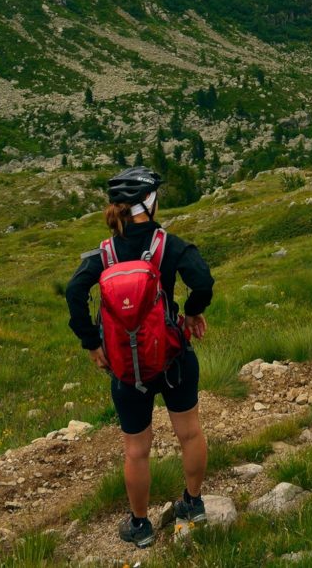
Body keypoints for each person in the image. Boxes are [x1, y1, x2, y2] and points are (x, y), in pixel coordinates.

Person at [65, 167, 214, 548]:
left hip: (126, 370)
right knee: (190, 431)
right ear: (149, 202)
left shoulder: (104, 254)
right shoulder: (171, 245)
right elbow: (203, 280)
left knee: (136, 449)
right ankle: (193, 504)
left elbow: (74, 293)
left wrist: (92, 343)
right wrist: (194, 312)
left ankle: (140, 526)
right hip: (173, 359)